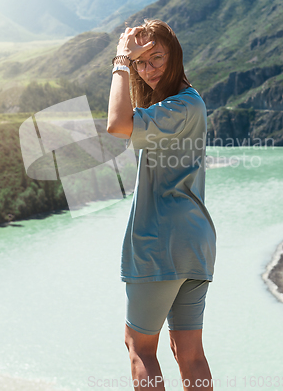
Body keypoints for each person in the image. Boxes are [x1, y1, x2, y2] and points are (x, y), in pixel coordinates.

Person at [107, 20, 216, 391]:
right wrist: (130, 61)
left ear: (175, 56)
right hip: (196, 243)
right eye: (140, 62)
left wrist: (121, 60)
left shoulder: (179, 106)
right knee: (188, 352)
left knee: (140, 347)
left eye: (156, 57)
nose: (148, 68)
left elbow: (117, 124)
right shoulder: (187, 103)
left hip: (159, 242)